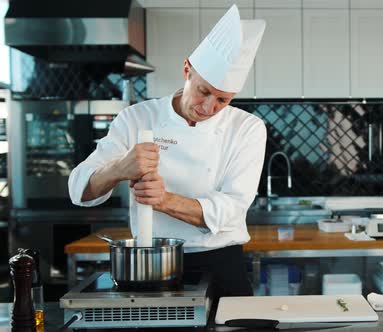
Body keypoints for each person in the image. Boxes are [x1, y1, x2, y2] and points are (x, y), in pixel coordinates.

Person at [68, 5, 266, 300]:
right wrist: (120, 168)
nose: (208, 107)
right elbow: (78, 190)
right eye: (203, 91)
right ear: (187, 69)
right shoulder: (136, 118)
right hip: (150, 264)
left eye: (222, 100)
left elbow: (231, 210)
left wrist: (164, 200)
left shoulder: (247, 128)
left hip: (221, 264)